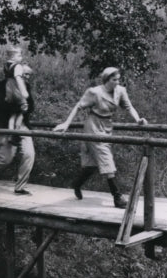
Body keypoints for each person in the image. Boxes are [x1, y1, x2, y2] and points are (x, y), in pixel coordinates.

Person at [53, 67, 148, 208]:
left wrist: (138, 120)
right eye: (114, 80)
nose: (117, 82)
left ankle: (77, 184)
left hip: (107, 126)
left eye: (118, 79)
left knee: (91, 166)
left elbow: (129, 107)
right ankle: (117, 196)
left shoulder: (120, 91)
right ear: (106, 80)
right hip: (93, 127)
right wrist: (66, 123)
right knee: (106, 158)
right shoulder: (94, 92)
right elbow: (78, 107)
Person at [0, 65, 36, 195]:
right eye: (25, 74)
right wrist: (19, 108)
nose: (27, 77)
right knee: (6, 159)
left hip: (23, 124)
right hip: (5, 124)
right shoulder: (2, 85)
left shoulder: (26, 86)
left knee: (29, 154)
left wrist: (25, 108)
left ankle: (20, 187)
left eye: (29, 75)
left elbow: (32, 106)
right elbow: (2, 105)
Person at [2, 46, 31, 134]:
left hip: (8, 89)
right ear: (13, 57)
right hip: (16, 88)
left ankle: (10, 131)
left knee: (13, 112)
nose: (21, 58)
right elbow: (18, 79)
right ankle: (17, 130)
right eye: (19, 56)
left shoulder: (6, 65)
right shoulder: (17, 66)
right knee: (24, 107)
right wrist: (24, 91)